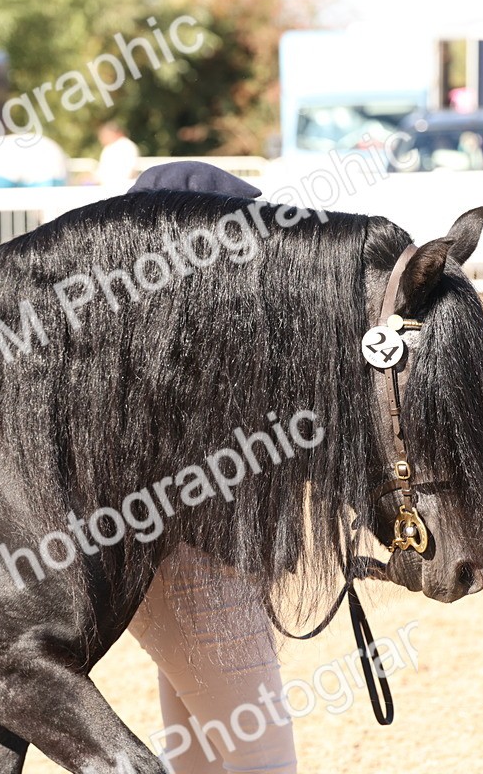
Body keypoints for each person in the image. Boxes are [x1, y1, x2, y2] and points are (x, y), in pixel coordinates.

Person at [124, 162, 298, 774]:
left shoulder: (135, 334)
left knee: (202, 761)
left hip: (175, 575)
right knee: (263, 762)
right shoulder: (204, 343)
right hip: (202, 570)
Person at [94, 121, 141, 186]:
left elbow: (127, 173)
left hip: (121, 187)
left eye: (105, 135)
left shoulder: (127, 146)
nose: (101, 139)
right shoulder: (108, 148)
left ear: (115, 133)